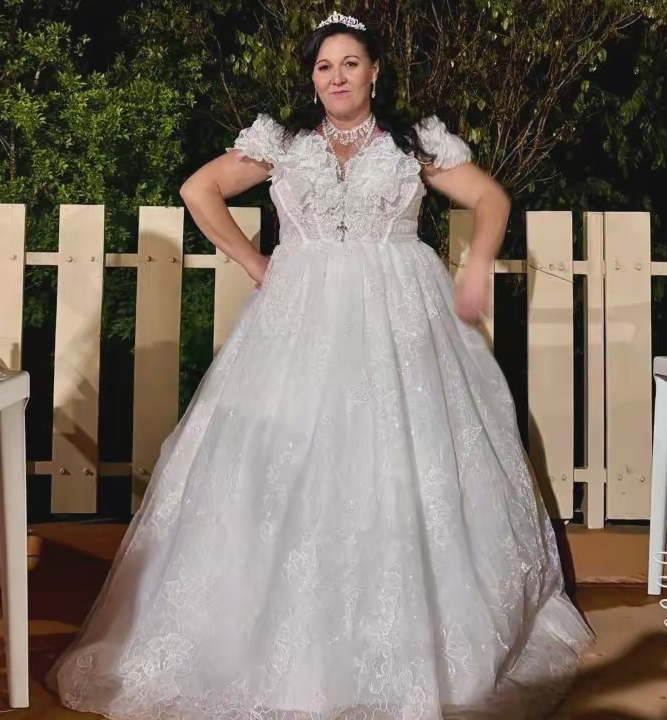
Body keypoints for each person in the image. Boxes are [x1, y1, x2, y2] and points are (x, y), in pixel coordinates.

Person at [48, 11, 593, 720]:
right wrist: (254, 261)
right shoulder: (284, 144)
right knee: (285, 462)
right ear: (312, 78)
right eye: (324, 66)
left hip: (398, 318)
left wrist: (478, 263)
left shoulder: (412, 143)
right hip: (297, 320)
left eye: (350, 63)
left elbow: (490, 197)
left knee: (395, 462)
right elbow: (198, 190)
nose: (337, 77)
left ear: (374, 72)